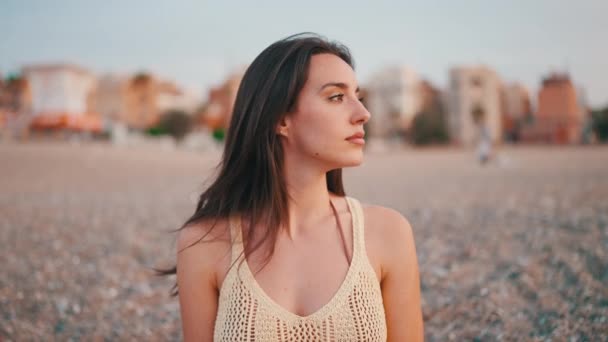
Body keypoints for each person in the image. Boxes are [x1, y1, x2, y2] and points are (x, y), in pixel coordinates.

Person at [161, 33, 423, 341]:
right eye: (337, 97)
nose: (362, 114)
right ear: (280, 119)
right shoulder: (204, 245)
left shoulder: (387, 233)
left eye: (358, 96)